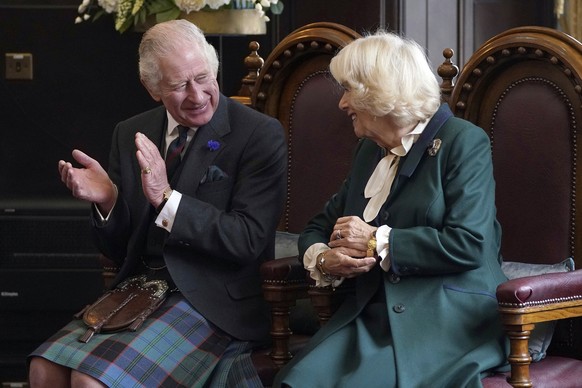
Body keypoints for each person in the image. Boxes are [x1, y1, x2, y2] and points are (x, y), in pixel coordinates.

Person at [28, 19, 287, 387]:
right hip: (139, 289)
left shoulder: (258, 134)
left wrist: (168, 199)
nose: (197, 95)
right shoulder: (130, 132)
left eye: (203, 78)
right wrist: (109, 201)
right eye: (179, 85)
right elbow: (119, 250)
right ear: (152, 88)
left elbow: (247, 238)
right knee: (44, 370)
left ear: (214, 69)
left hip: (212, 299)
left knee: (90, 383)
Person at [273, 31, 509, 388]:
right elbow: (318, 228)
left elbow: (470, 243)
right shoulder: (369, 151)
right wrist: (324, 259)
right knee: (294, 382)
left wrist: (375, 242)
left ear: (379, 91)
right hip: (373, 316)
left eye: (349, 89)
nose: (342, 103)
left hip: (449, 320)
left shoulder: (464, 142)